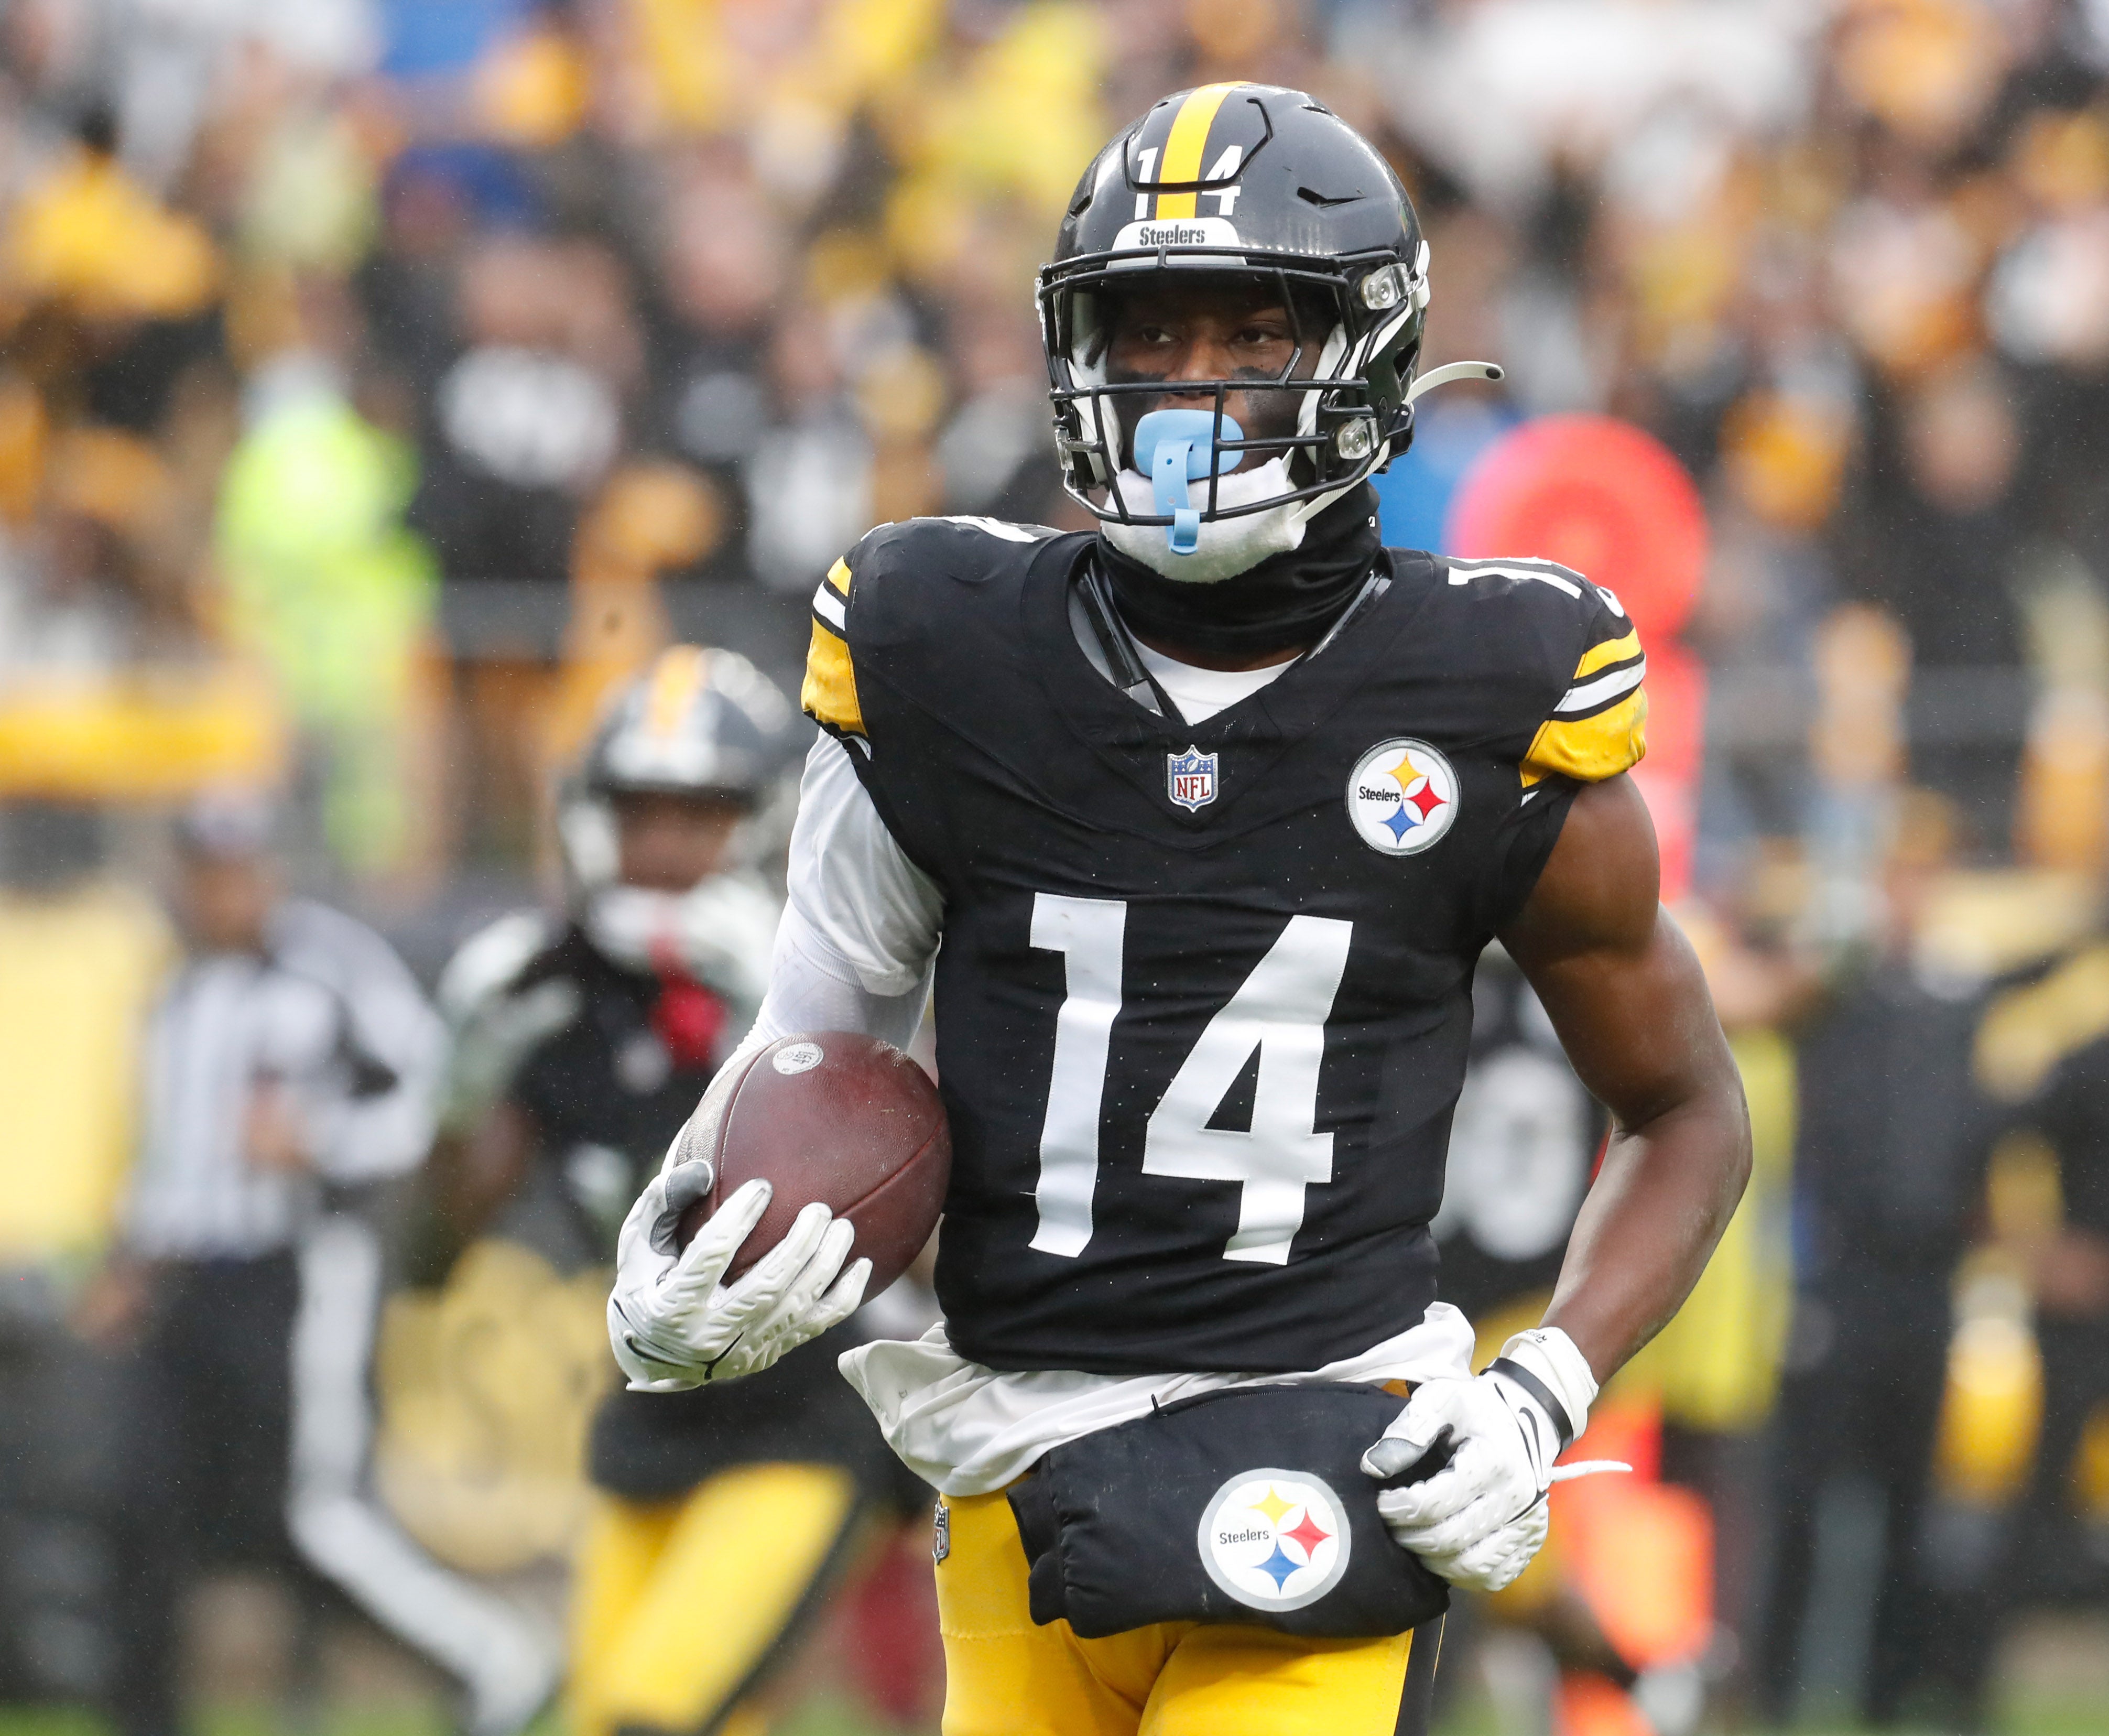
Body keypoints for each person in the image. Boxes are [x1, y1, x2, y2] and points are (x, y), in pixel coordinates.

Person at [600, 84, 1753, 1735]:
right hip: (1011, 1451)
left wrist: (1538, 1387)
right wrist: (691, 1220)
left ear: (1365, 354)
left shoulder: (1492, 682)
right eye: (1146, 334)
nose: (1190, 386)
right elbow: (814, 1047)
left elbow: (1685, 1106)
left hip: (1312, 1449)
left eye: (1249, 331)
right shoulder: (942, 646)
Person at [426, 646, 908, 1736]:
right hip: (650, 1414)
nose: (663, 848)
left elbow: (918, 1236)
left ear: (761, 820)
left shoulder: (827, 983)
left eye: (698, 814)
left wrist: (791, 1039)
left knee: (652, 1718)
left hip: (804, 1416)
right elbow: (430, 1252)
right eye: (641, 812)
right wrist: (456, 1093)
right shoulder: (558, 1001)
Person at [90, 790, 556, 1736]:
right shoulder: (174, 992)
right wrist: (133, 1258)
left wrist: (322, 1138)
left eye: (240, 870)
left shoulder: (330, 966)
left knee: (317, 1517)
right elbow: (170, 1152)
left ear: (271, 872)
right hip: (191, 1282)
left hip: (301, 1270)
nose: (224, 894)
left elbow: (435, 1100)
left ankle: (498, 1658)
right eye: (205, 873)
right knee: (145, 1509)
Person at [1756, 800, 1999, 1727]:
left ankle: (1884, 1695)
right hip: (1836, 1272)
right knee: (1805, 1495)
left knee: (1908, 1499)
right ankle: (1773, 1685)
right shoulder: (1837, 990)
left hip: (1924, 1278)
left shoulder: (1953, 1002)